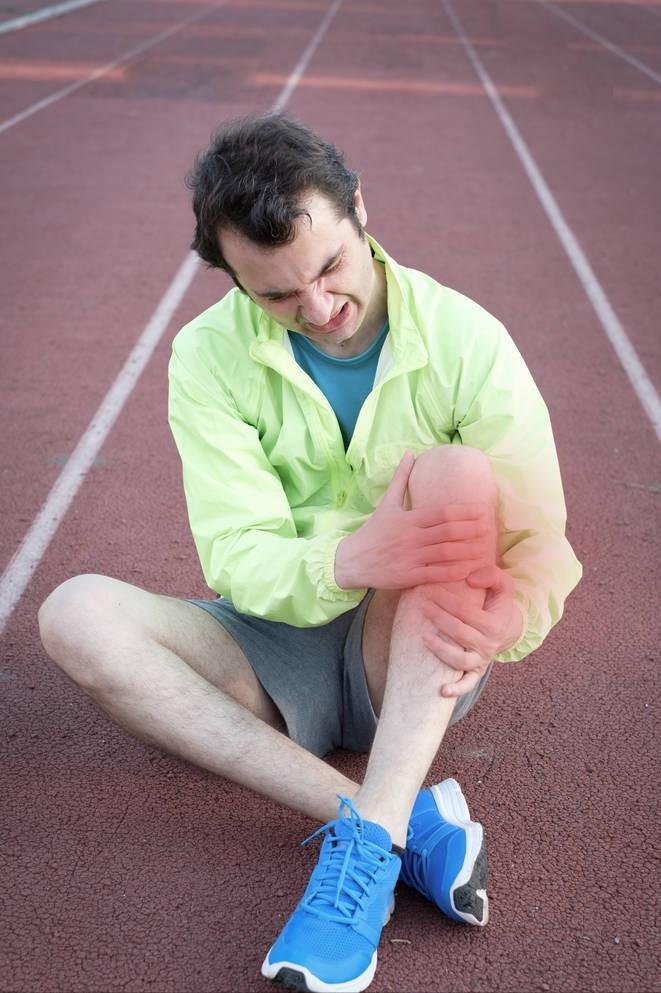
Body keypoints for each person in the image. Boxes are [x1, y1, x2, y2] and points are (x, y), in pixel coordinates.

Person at [38, 113, 582, 993]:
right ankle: (393, 826)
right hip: (272, 648)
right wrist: (347, 557)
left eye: (329, 268)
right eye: (277, 296)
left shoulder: (465, 339)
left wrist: (508, 615)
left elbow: (536, 543)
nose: (319, 309)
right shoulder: (206, 357)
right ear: (232, 279)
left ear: (359, 210)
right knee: (72, 613)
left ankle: (357, 865)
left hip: (408, 656)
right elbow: (237, 552)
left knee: (451, 476)